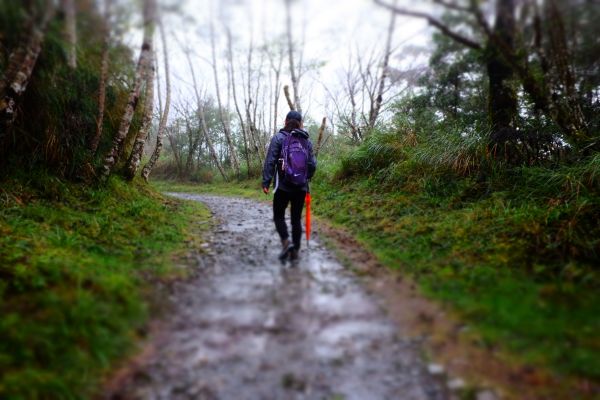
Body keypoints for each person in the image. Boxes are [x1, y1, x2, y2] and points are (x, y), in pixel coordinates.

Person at [262, 110, 316, 262]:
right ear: (301, 124)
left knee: (279, 216)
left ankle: (286, 242)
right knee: (296, 219)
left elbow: (270, 161)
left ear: (285, 121)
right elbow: (312, 164)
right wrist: (306, 178)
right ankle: (295, 251)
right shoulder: (306, 141)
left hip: (282, 187)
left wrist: (266, 182)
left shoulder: (278, 138)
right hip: (300, 187)